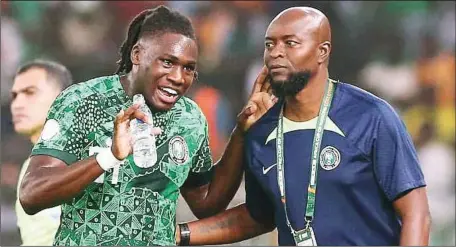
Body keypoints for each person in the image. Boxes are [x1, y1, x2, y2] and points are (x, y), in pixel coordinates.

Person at [18, 5, 275, 246]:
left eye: (188, 68)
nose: (178, 78)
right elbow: (32, 195)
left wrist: (242, 132)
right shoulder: (84, 101)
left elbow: (205, 203)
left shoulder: (190, 118)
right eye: (167, 62)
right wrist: (109, 157)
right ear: (137, 54)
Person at [175, 6, 431, 246]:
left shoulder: (370, 116)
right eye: (269, 44)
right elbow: (259, 216)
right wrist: (179, 234)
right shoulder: (259, 130)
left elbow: (415, 212)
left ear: (323, 51)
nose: (276, 52)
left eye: (290, 43)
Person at [11, 59, 73, 245]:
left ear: (62, 98)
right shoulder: (30, 166)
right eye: (14, 95)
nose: (17, 104)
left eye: (30, 93)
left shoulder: (86, 157)